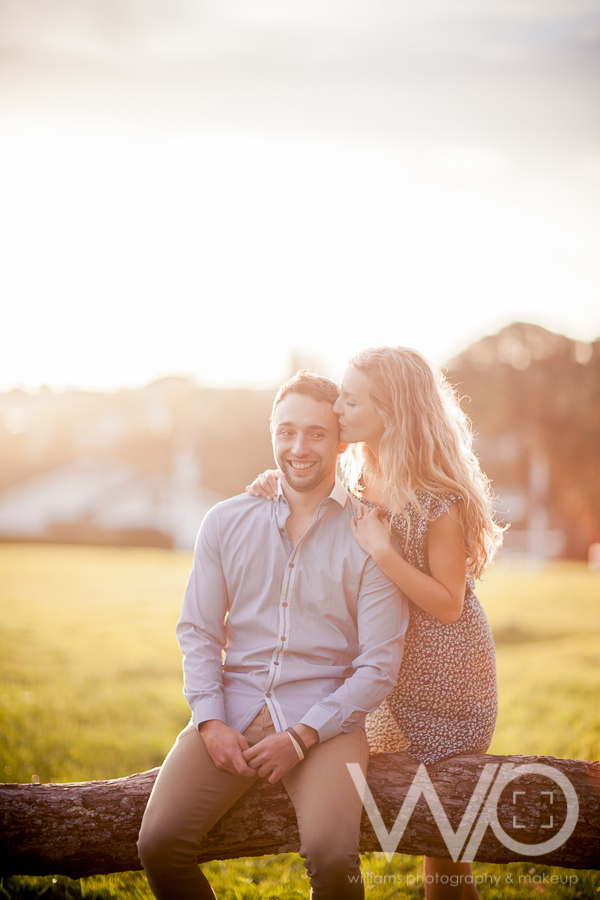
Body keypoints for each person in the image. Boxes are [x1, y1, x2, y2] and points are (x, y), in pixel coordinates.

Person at [137, 370, 410, 900]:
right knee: (160, 844)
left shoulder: (371, 534)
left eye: (314, 433)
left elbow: (379, 666)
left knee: (333, 859)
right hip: (231, 710)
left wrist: (302, 736)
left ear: (340, 441)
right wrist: (210, 720)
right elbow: (197, 630)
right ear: (272, 435)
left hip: (325, 722)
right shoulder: (224, 522)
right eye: (286, 431)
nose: (298, 447)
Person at [248, 346, 503, 900]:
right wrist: (276, 481)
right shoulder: (360, 470)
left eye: (351, 398)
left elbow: (449, 605)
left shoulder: (441, 499)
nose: (338, 406)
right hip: (388, 665)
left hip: (449, 679)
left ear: (389, 410)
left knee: (444, 839)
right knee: (427, 830)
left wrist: (384, 552)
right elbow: (311, 489)